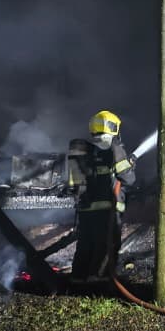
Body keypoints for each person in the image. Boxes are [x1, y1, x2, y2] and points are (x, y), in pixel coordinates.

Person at [67, 110, 136, 291]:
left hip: (85, 209)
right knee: (107, 245)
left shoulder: (86, 151)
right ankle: (99, 281)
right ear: (113, 127)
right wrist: (129, 165)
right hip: (107, 211)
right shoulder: (114, 147)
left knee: (86, 243)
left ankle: (78, 279)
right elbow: (129, 179)